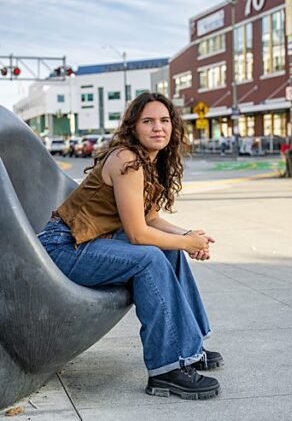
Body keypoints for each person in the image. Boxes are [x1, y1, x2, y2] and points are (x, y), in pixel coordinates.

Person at [35, 92, 223, 400]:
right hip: (63, 248)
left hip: (90, 242)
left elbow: (150, 218)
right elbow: (137, 234)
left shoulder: (149, 162)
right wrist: (187, 242)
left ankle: (190, 347)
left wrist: (189, 237)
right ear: (133, 127)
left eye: (164, 121)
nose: (157, 128)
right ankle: (167, 370)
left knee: (170, 250)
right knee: (149, 257)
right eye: (147, 121)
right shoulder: (128, 160)